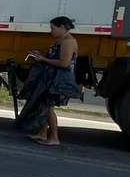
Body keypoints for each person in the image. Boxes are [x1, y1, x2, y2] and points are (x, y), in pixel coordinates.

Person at [16, 16, 83, 146]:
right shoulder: (60, 40)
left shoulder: (69, 42)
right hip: (51, 77)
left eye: (53, 28)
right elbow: (54, 57)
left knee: (49, 108)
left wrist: (43, 60)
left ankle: (54, 137)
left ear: (62, 27)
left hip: (59, 79)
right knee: (44, 106)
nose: (51, 31)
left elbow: (64, 63)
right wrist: (40, 55)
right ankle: (42, 134)